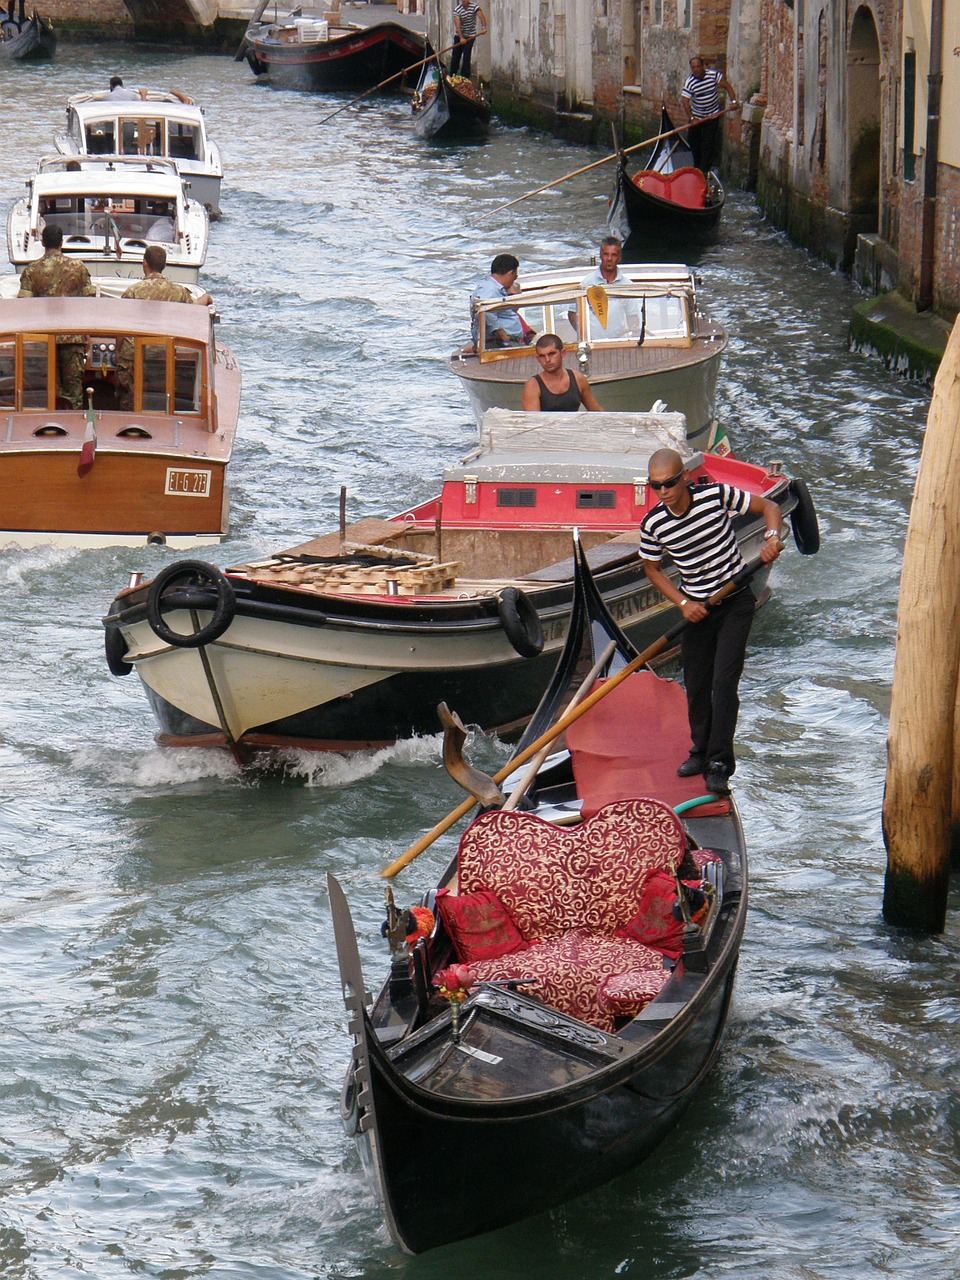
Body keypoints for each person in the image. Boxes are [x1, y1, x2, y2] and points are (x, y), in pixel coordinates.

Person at [639, 447, 783, 795]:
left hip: (735, 601)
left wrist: (772, 537)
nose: (663, 492)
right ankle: (700, 752)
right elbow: (652, 569)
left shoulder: (716, 495)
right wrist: (683, 602)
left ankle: (720, 763)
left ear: (684, 477)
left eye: (669, 483)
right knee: (697, 685)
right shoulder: (653, 524)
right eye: (655, 486)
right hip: (697, 610)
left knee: (723, 684)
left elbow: (771, 507)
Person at [117, 246, 213, 407]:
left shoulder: (132, 292)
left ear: (145, 263)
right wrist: (206, 297)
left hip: (133, 355)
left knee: (128, 400)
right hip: (163, 353)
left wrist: (119, 352)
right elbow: (195, 307)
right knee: (160, 400)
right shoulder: (178, 292)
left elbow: (120, 326)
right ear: (164, 265)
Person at [17, 224, 95, 411]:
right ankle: (74, 428)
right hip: (72, 336)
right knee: (73, 390)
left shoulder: (31, 270)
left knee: (47, 391)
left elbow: (24, 306)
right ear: (62, 243)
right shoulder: (78, 268)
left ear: (43, 242)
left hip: (43, 339)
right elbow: (90, 302)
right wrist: (87, 333)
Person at [680, 56, 738, 175]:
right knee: (693, 142)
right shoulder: (690, 82)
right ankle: (696, 168)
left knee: (708, 144)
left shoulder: (713, 75)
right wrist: (692, 118)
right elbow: (685, 102)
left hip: (712, 116)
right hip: (697, 117)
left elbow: (727, 86)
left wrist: (733, 101)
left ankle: (704, 171)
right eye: (693, 67)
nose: (696, 69)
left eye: (698, 66)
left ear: (703, 66)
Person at [577, 236, 641, 339]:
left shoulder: (628, 285)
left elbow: (632, 316)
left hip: (618, 343)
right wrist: (583, 333)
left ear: (619, 257)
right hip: (592, 345)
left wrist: (635, 333)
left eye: (614, 255)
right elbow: (573, 313)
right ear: (600, 255)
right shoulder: (587, 283)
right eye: (606, 254)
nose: (609, 259)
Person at [521, 334, 603, 411]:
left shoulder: (578, 379)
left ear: (563, 353)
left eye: (552, 354)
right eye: (542, 356)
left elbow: (597, 412)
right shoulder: (533, 386)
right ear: (538, 359)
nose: (547, 360)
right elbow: (533, 422)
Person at [470, 253, 529, 349]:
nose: (514, 279)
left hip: (504, 342)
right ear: (510, 273)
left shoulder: (493, 288)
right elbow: (485, 309)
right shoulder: (489, 289)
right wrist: (500, 332)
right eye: (515, 276)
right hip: (500, 343)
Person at [450, 0, 486, 80]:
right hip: (459, 36)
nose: (463, 1)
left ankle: (465, 77)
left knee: (466, 56)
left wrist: (484, 28)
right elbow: (458, 25)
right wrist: (461, 38)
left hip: (471, 36)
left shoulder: (474, 7)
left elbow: (481, 16)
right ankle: (452, 76)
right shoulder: (457, 10)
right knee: (456, 57)